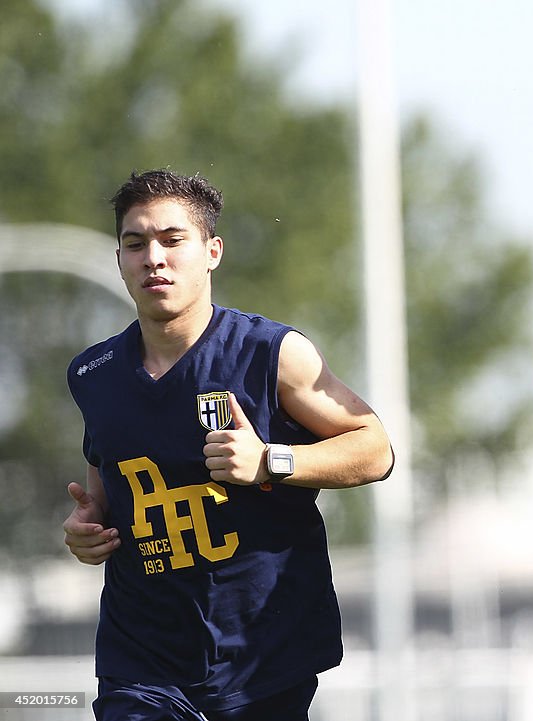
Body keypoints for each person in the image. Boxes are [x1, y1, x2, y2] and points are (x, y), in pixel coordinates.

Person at [62, 169, 394, 721]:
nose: (154, 258)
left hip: (263, 656)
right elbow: (104, 484)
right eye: (135, 243)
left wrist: (270, 460)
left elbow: (375, 448)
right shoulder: (91, 373)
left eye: (173, 240)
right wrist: (89, 528)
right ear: (119, 257)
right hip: (141, 661)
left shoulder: (272, 353)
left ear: (211, 251)